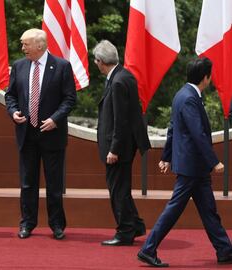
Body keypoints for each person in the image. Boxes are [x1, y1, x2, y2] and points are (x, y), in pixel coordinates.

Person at [138, 57, 232, 267]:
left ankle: (225, 250)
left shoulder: (182, 94)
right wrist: (214, 162)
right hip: (192, 167)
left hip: (194, 168)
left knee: (209, 210)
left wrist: (166, 157)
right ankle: (148, 249)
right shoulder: (190, 98)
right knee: (173, 209)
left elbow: (173, 128)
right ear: (205, 78)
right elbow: (197, 134)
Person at [5, 28, 76, 240]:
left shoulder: (62, 66)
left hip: (52, 134)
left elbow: (70, 99)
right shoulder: (19, 66)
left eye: (26, 44)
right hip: (26, 133)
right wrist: (13, 111)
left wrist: (56, 119)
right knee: (27, 183)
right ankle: (27, 223)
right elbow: (11, 96)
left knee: (54, 183)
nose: (22, 48)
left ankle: (57, 225)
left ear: (40, 45)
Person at [93, 40, 150, 246]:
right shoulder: (122, 75)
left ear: (101, 61)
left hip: (119, 148)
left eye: (96, 60)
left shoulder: (117, 81)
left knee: (118, 191)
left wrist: (114, 149)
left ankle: (125, 231)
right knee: (121, 188)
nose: (95, 63)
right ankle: (135, 225)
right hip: (124, 146)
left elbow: (121, 120)